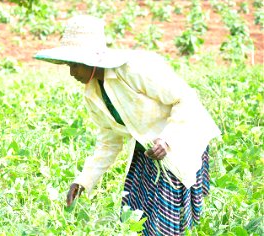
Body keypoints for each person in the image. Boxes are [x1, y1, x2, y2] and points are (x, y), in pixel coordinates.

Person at [34, 15, 221, 236]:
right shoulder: (92, 92)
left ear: (90, 60)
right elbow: (108, 141)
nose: (72, 72)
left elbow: (185, 99)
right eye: (69, 65)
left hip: (180, 140)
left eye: (75, 65)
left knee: (163, 225)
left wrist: (167, 140)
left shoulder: (134, 69)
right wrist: (84, 181)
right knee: (134, 217)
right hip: (148, 149)